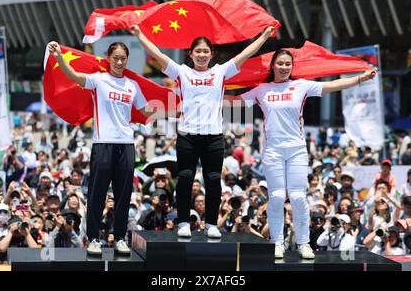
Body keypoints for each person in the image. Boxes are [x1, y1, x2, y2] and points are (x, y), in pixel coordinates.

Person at [129, 24, 277, 239]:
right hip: (188, 135)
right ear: (191, 54)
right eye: (197, 51)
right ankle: (182, 223)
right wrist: (139, 35)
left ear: (211, 54)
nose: (201, 55)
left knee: (214, 179)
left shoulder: (220, 71)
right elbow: (157, 54)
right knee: (186, 178)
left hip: (213, 137)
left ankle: (210, 224)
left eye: (205, 51)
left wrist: (263, 36)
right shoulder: (182, 71)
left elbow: (246, 53)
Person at [237, 48, 375, 259]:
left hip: (297, 150)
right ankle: (277, 243)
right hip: (272, 150)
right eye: (280, 63)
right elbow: (234, 103)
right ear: (272, 65)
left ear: (292, 67)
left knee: (298, 197)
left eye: (287, 64)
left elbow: (332, 85)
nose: (284, 67)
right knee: (275, 196)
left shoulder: (300, 86)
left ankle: (303, 243)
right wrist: (203, 96)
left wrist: (359, 79)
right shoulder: (261, 89)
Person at [47, 41, 155, 256]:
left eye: (123, 58)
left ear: (127, 59)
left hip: (126, 145)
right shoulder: (99, 80)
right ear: (108, 58)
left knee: (124, 196)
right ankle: (94, 238)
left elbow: (146, 110)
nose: (119, 61)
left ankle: (121, 238)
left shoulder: (132, 85)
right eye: (115, 57)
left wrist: (172, 103)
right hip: (102, 144)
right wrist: (59, 56)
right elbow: (74, 76)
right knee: (97, 194)